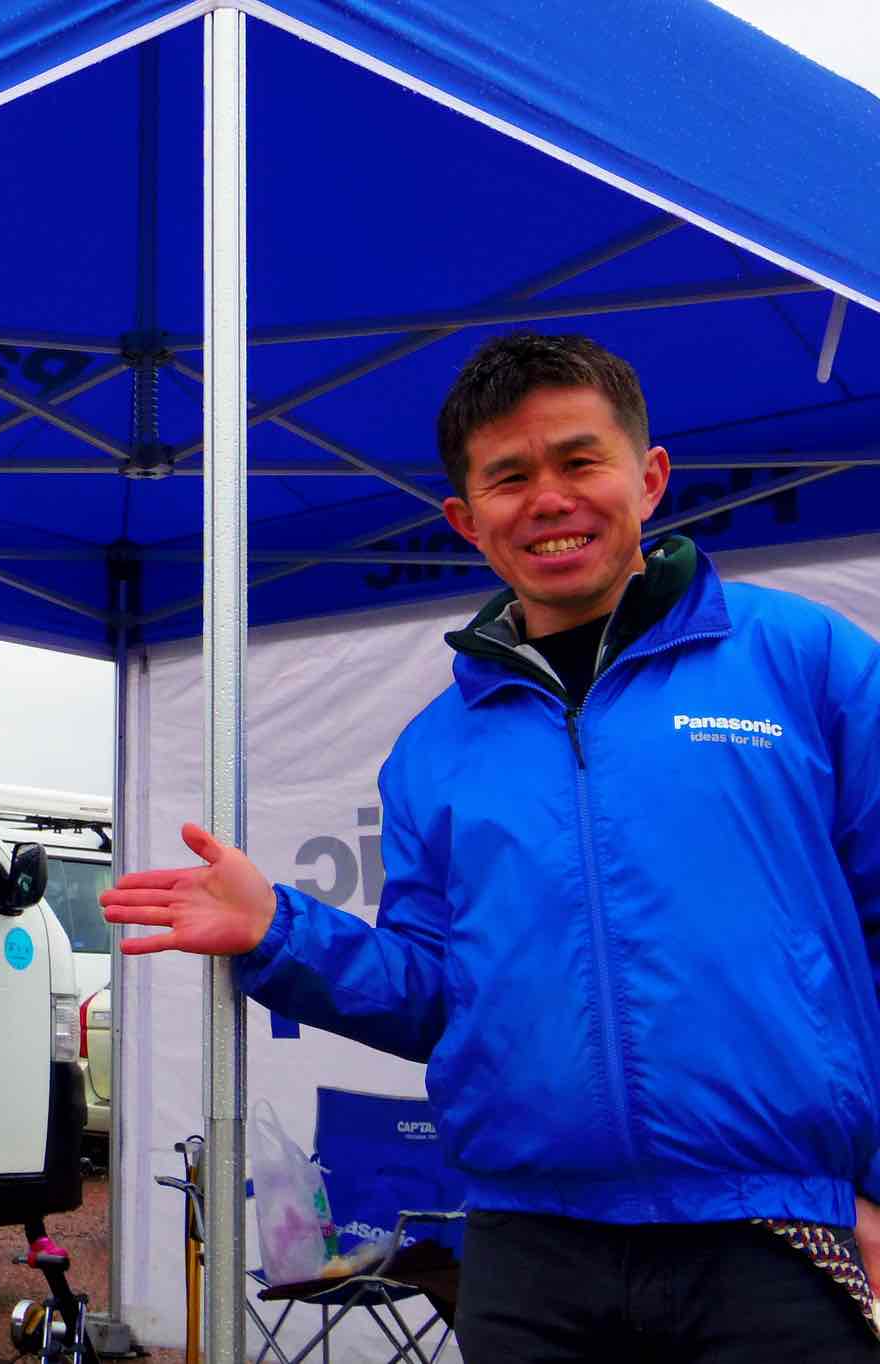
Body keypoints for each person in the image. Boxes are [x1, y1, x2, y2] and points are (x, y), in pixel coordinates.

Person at [102, 332, 880, 1359]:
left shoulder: (804, 662)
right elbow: (432, 990)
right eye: (508, 477)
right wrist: (276, 931)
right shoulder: (435, 748)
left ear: (648, 477)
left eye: (579, 460)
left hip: (776, 1229)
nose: (548, 498)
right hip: (528, 1252)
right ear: (466, 520)